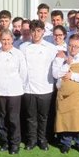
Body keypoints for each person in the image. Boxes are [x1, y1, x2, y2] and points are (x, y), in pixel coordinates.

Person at [21, 20, 58, 150]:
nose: (36, 34)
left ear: (43, 31)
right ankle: (31, 140)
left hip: (45, 88)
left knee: (43, 117)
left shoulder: (51, 48)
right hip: (28, 88)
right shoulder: (23, 47)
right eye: (33, 31)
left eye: (38, 31)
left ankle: (42, 139)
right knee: (31, 117)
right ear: (30, 32)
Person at [52, 33, 79, 153]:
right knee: (66, 119)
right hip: (64, 96)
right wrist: (67, 64)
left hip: (78, 96)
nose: (72, 48)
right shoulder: (60, 58)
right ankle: (66, 143)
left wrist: (72, 75)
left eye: (75, 46)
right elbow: (56, 74)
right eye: (70, 45)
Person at [0, 29, 27, 154]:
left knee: (13, 119)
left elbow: (23, 73)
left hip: (14, 91)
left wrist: (19, 86)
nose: (6, 42)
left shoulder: (18, 54)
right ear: (0, 40)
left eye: (8, 39)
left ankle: (15, 144)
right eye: (4, 39)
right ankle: (5, 142)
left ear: (12, 40)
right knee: (1, 118)